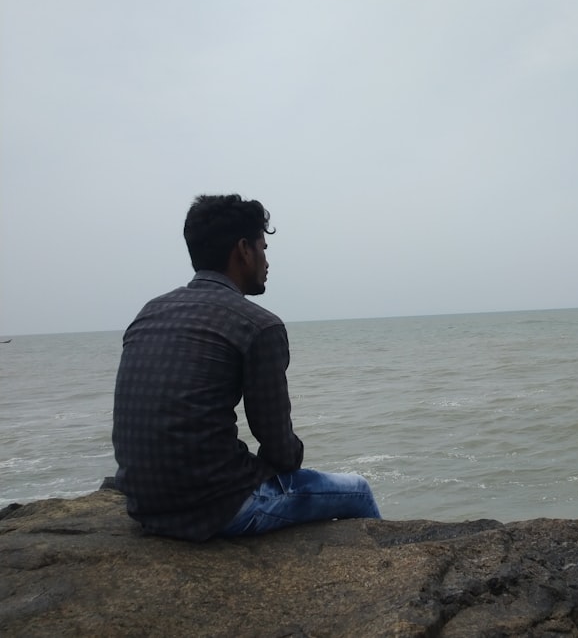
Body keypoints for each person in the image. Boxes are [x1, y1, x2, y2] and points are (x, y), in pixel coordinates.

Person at [112, 194, 381, 541]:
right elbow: (280, 448)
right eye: (263, 248)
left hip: (144, 504)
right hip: (217, 510)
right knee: (357, 490)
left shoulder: (149, 312)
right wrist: (276, 465)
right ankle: (390, 566)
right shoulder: (258, 325)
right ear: (243, 250)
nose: (267, 261)